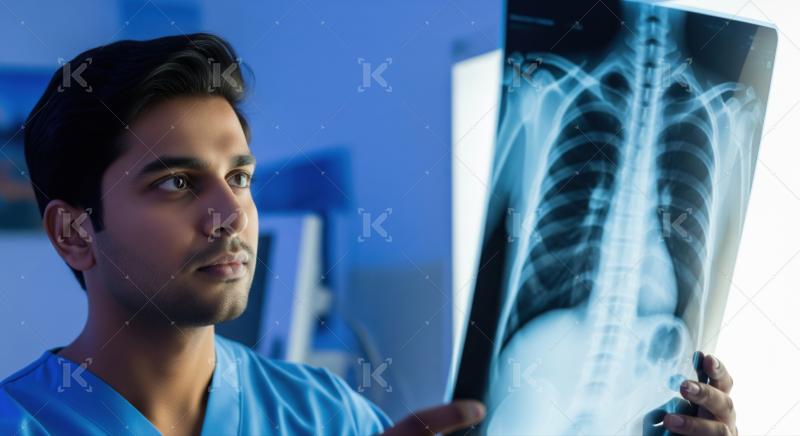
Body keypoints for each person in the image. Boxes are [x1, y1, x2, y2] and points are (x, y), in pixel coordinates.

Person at [0, 33, 737, 436]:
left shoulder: (330, 415)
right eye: (177, 182)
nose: (229, 213)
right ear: (73, 232)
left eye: (242, 177)